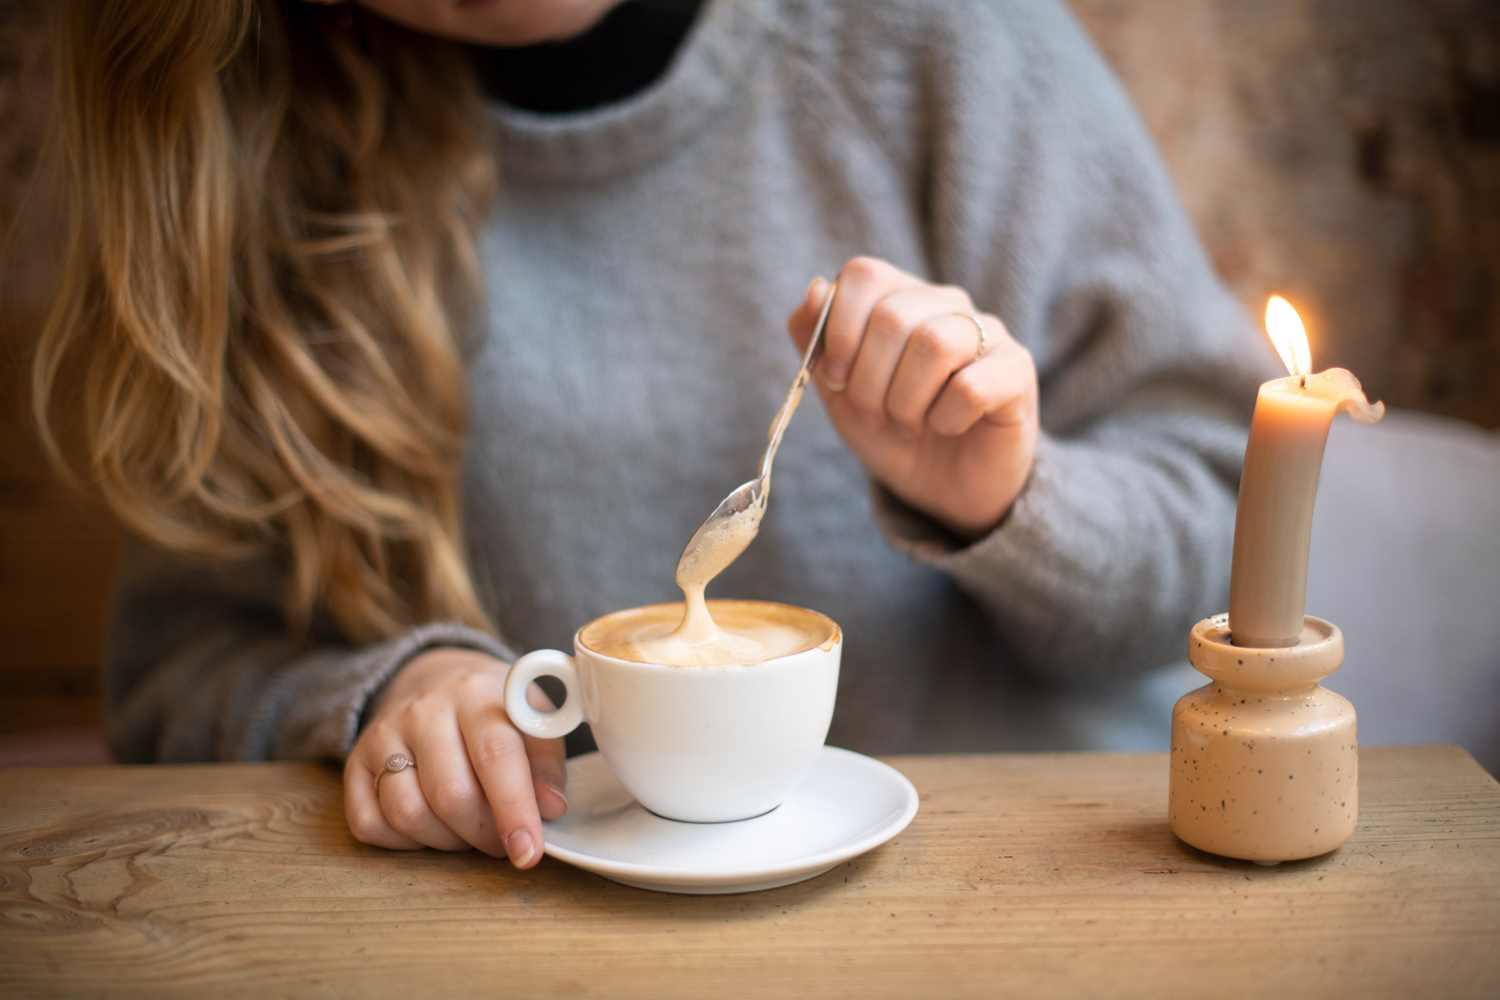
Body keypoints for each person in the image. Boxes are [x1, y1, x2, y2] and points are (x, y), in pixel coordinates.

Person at [32, 0, 1275, 869]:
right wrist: (380, 698)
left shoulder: (940, 42)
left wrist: (1010, 500)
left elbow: (1231, 542)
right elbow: (174, 673)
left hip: (1005, 897)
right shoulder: (261, 152)